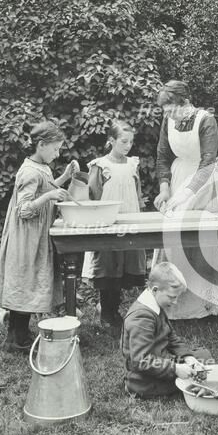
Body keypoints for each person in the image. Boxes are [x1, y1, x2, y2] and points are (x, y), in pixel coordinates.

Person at [0, 121, 78, 353]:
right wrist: (50, 196)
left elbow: (46, 187)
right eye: (55, 148)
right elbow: (24, 210)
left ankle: (21, 332)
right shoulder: (29, 172)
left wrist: (63, 177)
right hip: (26, 238)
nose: (57, 153)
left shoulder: (41, 166)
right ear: (41, 145)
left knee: (30, 282)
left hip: (36, 236)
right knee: (25, 281)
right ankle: (14, 339)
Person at [152, 80, 218, 320]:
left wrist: (186, 193)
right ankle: (175, 303)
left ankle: (204, 305)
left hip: (203, 183)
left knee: (202, 241)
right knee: (174, 239)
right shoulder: (168, 121)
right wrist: (165, 189)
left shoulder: (206, 120)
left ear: (184, 103)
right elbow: (162, 156)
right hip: (178, 178)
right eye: (165, 111)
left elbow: (208, 162)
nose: (168, 115)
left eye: (171, 109)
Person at [82, 120, 147, 335]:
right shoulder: (100, 165)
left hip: (129, 219)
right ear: (111, 141)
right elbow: (92, 195)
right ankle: (107, 313)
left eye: (131, 142)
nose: (128, 146)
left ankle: (115, 311)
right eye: (123, 141)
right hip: (107, 221)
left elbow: (136, 193)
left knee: (124, 264)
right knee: (108, 265)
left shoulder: (132, 164)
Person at [121, 262, 214, 398]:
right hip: (143, 379)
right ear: (155, 290)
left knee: (203, 357)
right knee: (199, 371)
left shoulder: (155, 305)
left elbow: (171, 338)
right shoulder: (141, 318)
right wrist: (176, 369)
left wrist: (189, 359)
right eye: (172, 297)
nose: (175, 302)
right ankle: (187, 382)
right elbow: (141, 361)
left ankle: (190, 374)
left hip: (161, 360)